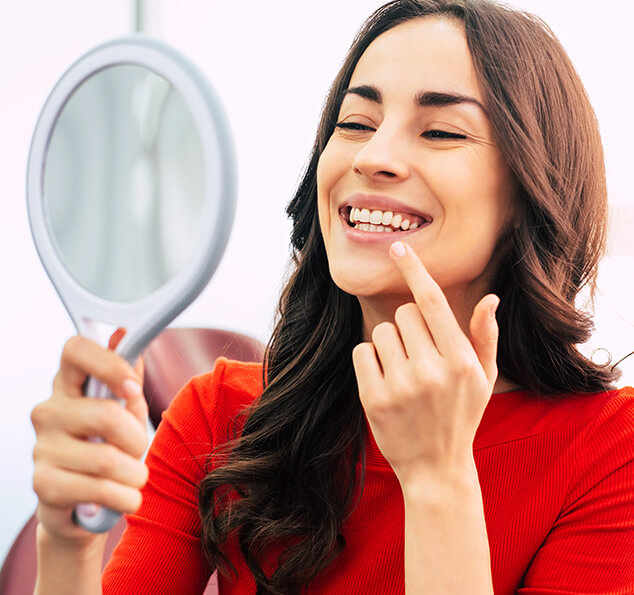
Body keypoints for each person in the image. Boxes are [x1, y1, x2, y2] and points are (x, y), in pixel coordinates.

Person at [30, 0, 634, 593]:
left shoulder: (611, 450)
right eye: (354, 124)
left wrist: (437, 478)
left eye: (441, 130)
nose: (373, 157)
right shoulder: (217, 418)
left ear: (532, 189)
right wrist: (67, 547)